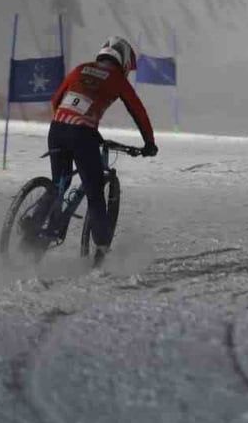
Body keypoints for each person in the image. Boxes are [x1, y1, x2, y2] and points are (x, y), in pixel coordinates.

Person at [29, 36, 158, 264]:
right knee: (95, 193)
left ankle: (33, 225)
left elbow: (56, 100)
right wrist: (149, 143)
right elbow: (138, 111)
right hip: (81, 135)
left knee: (60, 183)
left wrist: (71, 121)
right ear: (124, 61)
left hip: (57, 129)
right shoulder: (117, 79)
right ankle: (102, 247)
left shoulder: (80, 68)